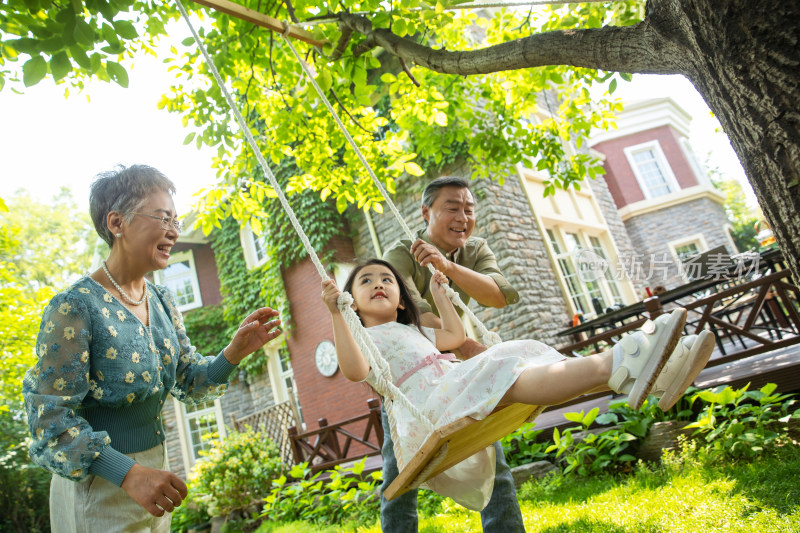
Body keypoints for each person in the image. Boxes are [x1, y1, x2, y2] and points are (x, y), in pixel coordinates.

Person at [320, 259, 711, 512]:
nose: (378, 284)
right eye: (365, 281)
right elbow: (354, 371)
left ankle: (642, 371)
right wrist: (337, 317)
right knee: (503, 364)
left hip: (451, 388)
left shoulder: (411, 331)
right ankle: (627, 361)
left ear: (402, 301)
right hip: (431, 408)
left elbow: (454, 335)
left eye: (386, 279)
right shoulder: (363, 340)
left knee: (522, 351)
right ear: (351, 303)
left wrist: (441, 295)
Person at [22, 165, 282, 533]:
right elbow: (49, 419)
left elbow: (189, 380)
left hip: (155, 479)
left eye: (176, 219)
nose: (174, 230)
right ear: (117, 222)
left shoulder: (162, 301)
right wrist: (128, 474)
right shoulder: (75, 307)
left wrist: (233, 353)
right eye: (163, 218)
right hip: (98, 486)